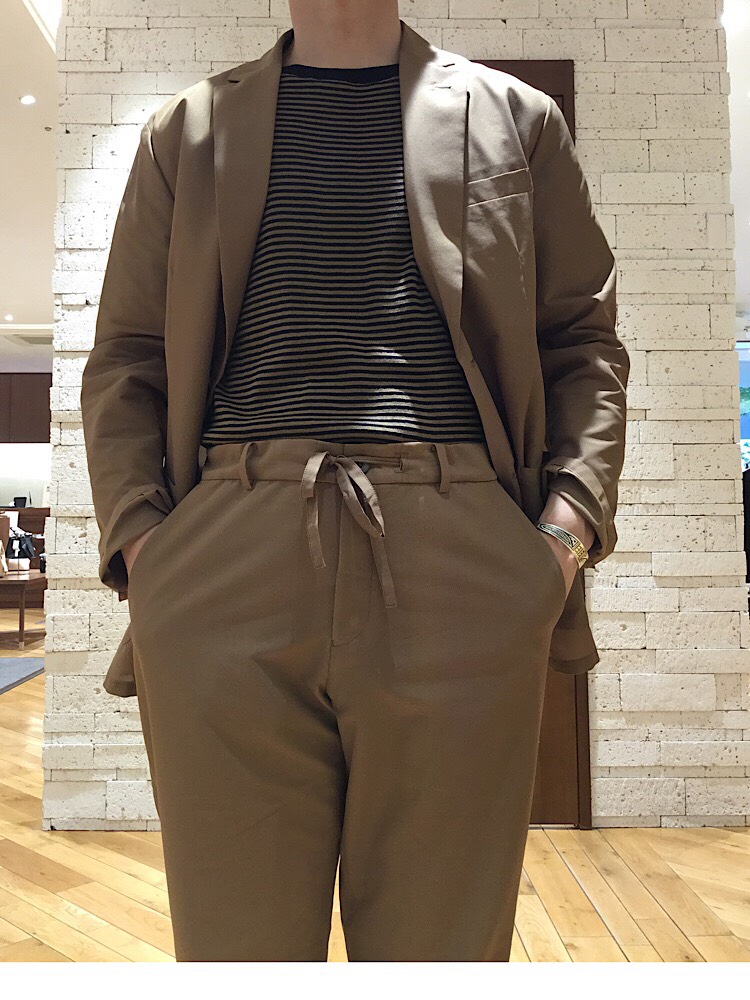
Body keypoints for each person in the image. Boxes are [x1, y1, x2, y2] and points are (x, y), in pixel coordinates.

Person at [80, 0, 629, 962]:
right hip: (226, 557)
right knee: (235, 954)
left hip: (462, 565)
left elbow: (583, 342)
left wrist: (563, 535)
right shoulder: (186, 131)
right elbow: (127, 357)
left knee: (442, 955)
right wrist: (144, 546)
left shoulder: (518, 120)